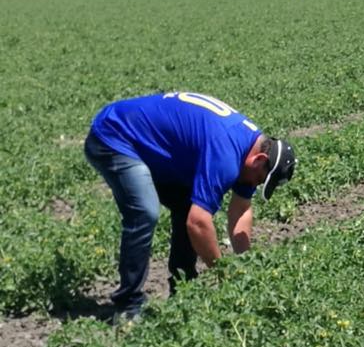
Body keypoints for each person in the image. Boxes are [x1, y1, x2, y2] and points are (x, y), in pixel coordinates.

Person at [84, 91, 296, 320]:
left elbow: (241, 208)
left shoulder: (251, 148)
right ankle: (128, 305)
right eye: (261, 180)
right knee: (145, 212)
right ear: (260, 161)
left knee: (187, 203)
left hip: (155, 146)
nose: (256, 184)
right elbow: (198, 223)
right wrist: (225, 275)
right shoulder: (226, 155)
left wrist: (246, 268)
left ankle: (184, 291)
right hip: (115, 136)